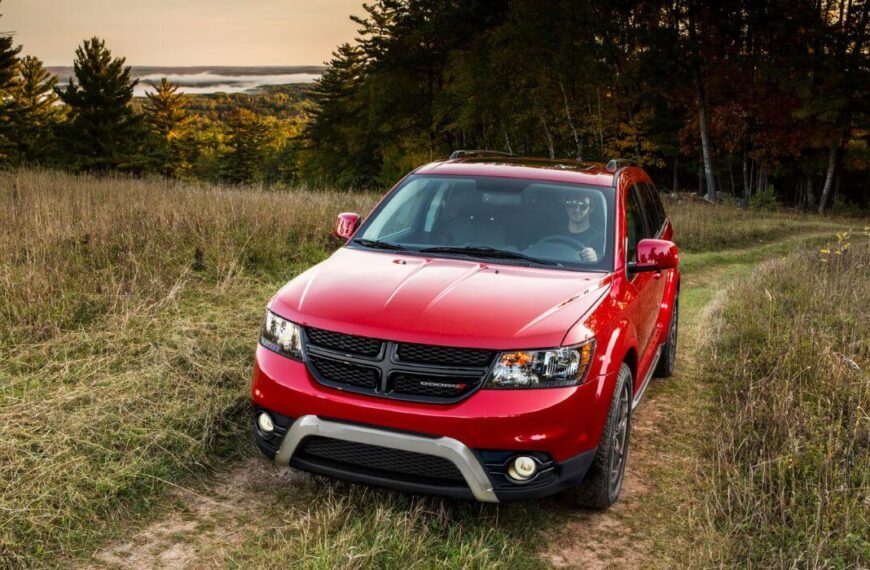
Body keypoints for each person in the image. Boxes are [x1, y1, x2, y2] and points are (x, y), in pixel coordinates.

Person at [563, 190, 604, 262]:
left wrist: (596, 258)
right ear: (566, 206)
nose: (577, 209)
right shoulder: (554, 234)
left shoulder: (601, 239)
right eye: (572, 204)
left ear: (591, 208)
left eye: (583, 205)